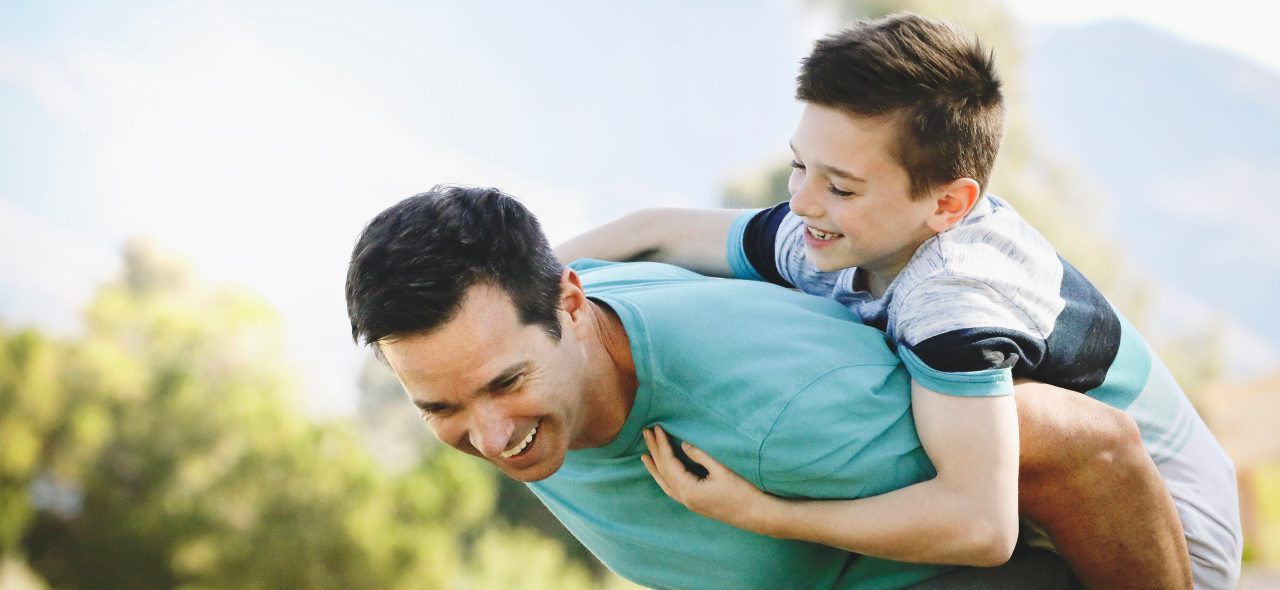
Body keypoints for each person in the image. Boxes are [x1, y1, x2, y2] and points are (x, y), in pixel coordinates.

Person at [555, 12, 1240, 590]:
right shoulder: (833, 231)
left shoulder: (953, 294)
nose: (801, 201)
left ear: (948, 203)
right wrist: (523, 284)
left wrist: (762, 512)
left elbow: (981, 524)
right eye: (799, 164)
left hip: (1168, 534)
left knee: (1008, 418)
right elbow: (652, 230)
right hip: (1045, 515)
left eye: (841, 185)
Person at [347, 185, 1187, 589]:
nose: (491, 438)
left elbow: (1095, 451)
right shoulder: (527, 354)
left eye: (506, 383)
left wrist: (774, 514)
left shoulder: (789, 402)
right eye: (442, 408)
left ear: (572, 305)